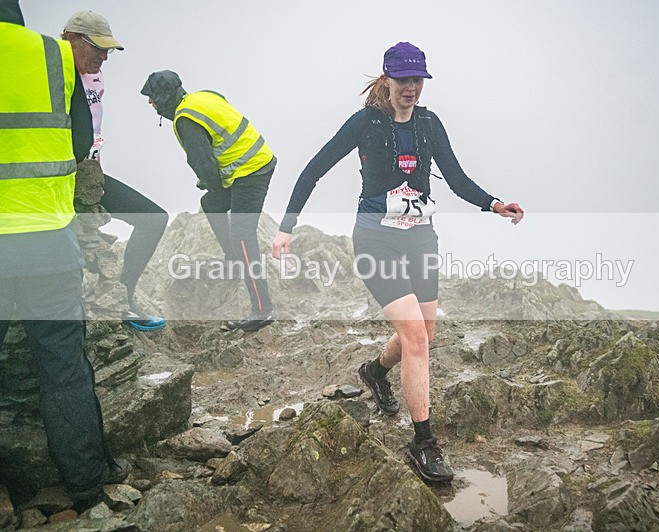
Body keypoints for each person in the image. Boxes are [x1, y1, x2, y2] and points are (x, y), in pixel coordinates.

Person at [271, 42, 524, 482]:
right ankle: (423, 442)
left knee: (424, 334)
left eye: (417, 80)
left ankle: (374, 371)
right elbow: (312, 170)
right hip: (376, 241)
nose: (411, 88)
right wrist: (286, 227)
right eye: (403, 79)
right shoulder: (364, 123)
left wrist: (493, 204)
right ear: (386, 79)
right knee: (416, 339)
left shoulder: (429, 123)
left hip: (421, 238)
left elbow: (458, 177)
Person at [0, 0, 129, 500]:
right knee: (63, 368)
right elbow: (78, 142)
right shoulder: (54, 56)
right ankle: (88, 486)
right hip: (47, 244)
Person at [141, 70, 277, 332]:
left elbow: (202, 163)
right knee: (212, 205)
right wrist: (213, 184)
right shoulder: (202, 97)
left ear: (165, 98)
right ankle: (234, 260)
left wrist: (211, 182)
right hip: (255, 161)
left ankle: (262, 309)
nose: (150, 103)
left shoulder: (184, 120)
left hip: (251, 171)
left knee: (242, 234)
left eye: (153, 98)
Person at [62, 11, 168, 332]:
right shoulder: (51, 73)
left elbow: (91, 123)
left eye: (108, 49)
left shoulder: (94, 75)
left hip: (90, 176)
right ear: (72, 39)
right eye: (98, 48)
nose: (104, 56)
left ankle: (123, 298)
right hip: (57, 181)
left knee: (154, 218)